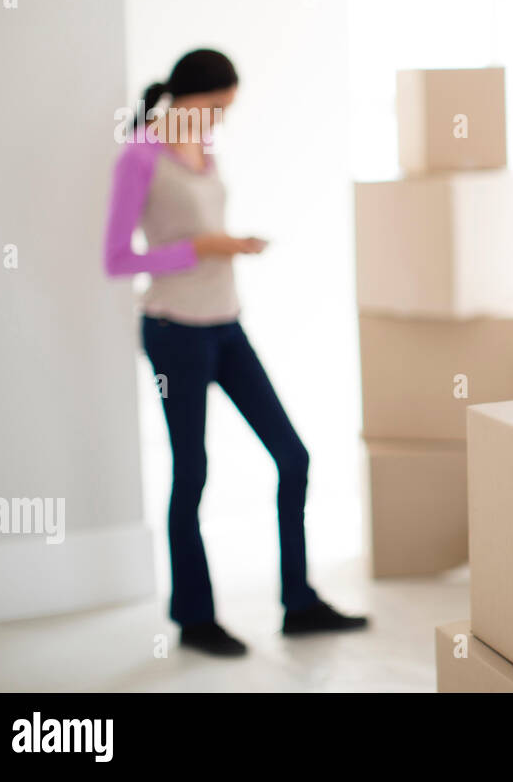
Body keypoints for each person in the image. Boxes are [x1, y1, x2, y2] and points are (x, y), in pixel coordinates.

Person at [103, 48, 367, 657]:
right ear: (188, 98)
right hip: (174, 331)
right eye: (217, 107)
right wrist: (199, 246)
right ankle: (195, 620)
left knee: (292, 456)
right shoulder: (139, 156)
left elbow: (202, 229)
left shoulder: (205, 150)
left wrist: (229, 244)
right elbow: (118, 258)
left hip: (226, 325)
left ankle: (298, 604)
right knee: (192, 473)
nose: (220, 120)